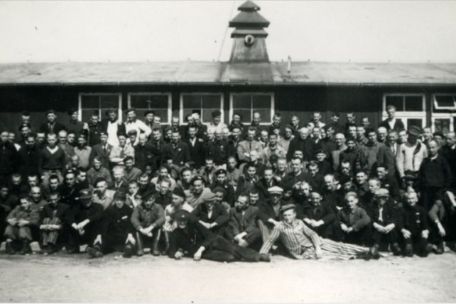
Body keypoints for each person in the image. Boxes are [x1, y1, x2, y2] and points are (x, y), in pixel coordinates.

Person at [260, 204, 368, 260]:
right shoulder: (279, 227)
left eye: (289, 215)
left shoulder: (300, 222)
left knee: (339, 246)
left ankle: (367, 251)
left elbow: (312, 234)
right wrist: (262, 253)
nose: (287, 217)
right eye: (285, 215)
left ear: (294, 215)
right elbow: (270, 241)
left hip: (316, 243)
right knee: (330, 256)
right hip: (303, 253)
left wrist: (318, 248)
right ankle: (360, 256)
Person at [168, 210, 269, 263]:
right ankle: (240, 257)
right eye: (179, 221)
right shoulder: (175, 233)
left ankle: (258, 256)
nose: (182, 223)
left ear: (188, 220)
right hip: (203, 252)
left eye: (184, 221)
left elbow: (209, 236)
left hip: (212, 242)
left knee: (233, 248)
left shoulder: (195, 224)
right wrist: (176, 253)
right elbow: (171, 250)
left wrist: (200, 250)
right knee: (229, 257)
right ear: (176, 221)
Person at [87, 192, 136, 259]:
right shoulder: (110, 210)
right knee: (102, 239)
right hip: (113, 235)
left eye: (121, 200)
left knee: (131, 239)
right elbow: (104, 224)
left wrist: (130, 234)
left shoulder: (129, 210)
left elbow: (131, 224)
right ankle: (97, 249)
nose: (119, 202)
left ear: (124, 200)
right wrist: (100, 235)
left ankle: (128, 249)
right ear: (114, 200)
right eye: (117, 200)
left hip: (125, 234)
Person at [66, 189, 104, 254]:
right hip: (81, 232)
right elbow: (69, 217)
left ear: (91, 198)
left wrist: (86, 221)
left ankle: (96, 247)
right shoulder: (77, 207)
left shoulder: (98, 206)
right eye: (84, 199)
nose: (86, 201)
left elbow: (98, 215)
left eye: (88, 199)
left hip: (94, 232)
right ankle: (75, 246)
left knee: (101, 223)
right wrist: (76, 226)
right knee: (68, 226)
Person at [367, 189, 402, 258]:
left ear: (387, 198)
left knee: (392, 229)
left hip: (388, 226)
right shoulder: (372, 206)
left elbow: (395, 217)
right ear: (376, 198)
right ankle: (375, 247)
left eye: (384, 198)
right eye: (379, 198)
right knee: (377, 229)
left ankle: (395, 245)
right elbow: (370, 218)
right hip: (377, 226)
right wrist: (377, 226)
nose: (381, 200)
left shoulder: (391, 205)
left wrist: (390, 226)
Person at [399, 191, 429, 257]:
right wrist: (403, 230)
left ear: (416, 199)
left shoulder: (421, 209)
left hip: (418, 233)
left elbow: (425, 223)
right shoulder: (403, 210)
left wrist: (425, 231)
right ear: (406, 200)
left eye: (412, 198)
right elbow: (400, 223)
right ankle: (409, 246)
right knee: (409, 252)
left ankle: (423, 246)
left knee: (424, 253)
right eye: (409, 199)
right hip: (408, 233)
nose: (411, 200)